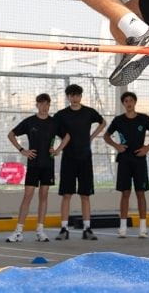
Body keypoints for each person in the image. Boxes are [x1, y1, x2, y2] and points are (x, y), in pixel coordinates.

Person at [5, 93, 70, 243]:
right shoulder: (30, 122)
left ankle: (40, 230)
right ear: (37, 105)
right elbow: (11, 135)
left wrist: (58, 149)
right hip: (33, 164)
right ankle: (18, 231)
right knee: (28, 195)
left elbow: (67, 136)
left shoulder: (54, 123)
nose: (44, 107)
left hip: (48, 164)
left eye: (47, 104)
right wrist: (22, 150)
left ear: (49, 105)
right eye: (41, 104)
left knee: (44, 195)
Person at [104, 91, 149, 239]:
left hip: (139, 160)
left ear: (135, 102)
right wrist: (117, 146)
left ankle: (143, 228)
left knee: (141, 193)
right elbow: (106, 136)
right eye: (126, 101)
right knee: (125, 193)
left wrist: (147, 148)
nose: (129, 103)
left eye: (131, 100)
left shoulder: (143, 119)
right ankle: (122, 227)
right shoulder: (118, 120)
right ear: (123, 104)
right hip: (124, 160)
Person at [53, 84, 106, 241]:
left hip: (85, 158)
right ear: (68, 97)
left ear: (80, 96)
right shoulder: (61, 115)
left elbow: (103, 123)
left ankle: (87, 228)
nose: (74, 98)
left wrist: (92, 136)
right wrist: (55, 146)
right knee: (66, 194)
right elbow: (52, 129)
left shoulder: (88, 112)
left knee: (85, 195)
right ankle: (64, 228)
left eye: (77, 95)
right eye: (71, 95)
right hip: (68, 158)